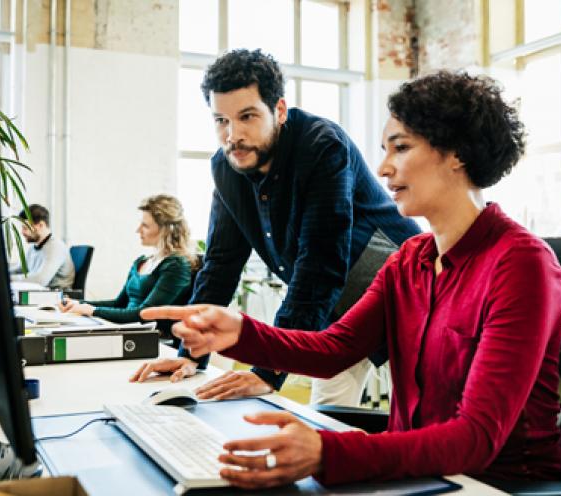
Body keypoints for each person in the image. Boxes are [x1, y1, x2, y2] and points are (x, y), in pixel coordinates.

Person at [141, 71, 561, 489]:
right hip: (419, 475)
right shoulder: (411, 259)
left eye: (400, 148)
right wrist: (239, 332)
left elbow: (475, 439)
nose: (382, 168)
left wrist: (328, 452)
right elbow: (334, 349)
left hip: (495, 485)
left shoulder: (520, 263)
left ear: (456, 153)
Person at [131, 49, 421, 405]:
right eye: (220, 120)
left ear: (279, 111)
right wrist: (190, 355)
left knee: (428, 416)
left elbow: (320, 263)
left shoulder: (320, 144)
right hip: (329, 314)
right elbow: (221, 263)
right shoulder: (227, 168)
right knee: (328, 421)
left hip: (402, 298)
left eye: (247, 116)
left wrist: (267, 371)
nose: (232, 135)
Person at [60, 195, 193, 323]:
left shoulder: (177, 265)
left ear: (165, 230)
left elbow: (144, 313)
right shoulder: (142, 261)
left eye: (145, 226)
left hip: (150, 336)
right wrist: (79, 304)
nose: (138, 230)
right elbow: (119, 303)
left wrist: (92, 310)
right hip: (128, 328)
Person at [9, 204, 75, 289]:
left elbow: (40, 280)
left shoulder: (56, 247)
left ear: (41, 225)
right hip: (40, 294)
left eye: (25, 228)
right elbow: (21, 269)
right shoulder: (33, 248)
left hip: (55, 297)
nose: (22, 232)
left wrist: (7, 279)